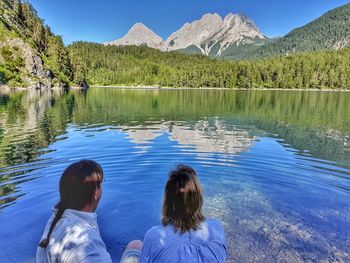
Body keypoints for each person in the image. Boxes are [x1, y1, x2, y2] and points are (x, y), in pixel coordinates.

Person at [138, 164, 227, 263]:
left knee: (135, 244)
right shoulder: (216, 228)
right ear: (198, 200)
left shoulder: (154, 236)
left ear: (168, 202)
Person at [36, 160, 112, 263]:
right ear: (95, 193)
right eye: (100, 185)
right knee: (136, 245)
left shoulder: (55, 220)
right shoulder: (88, 244)